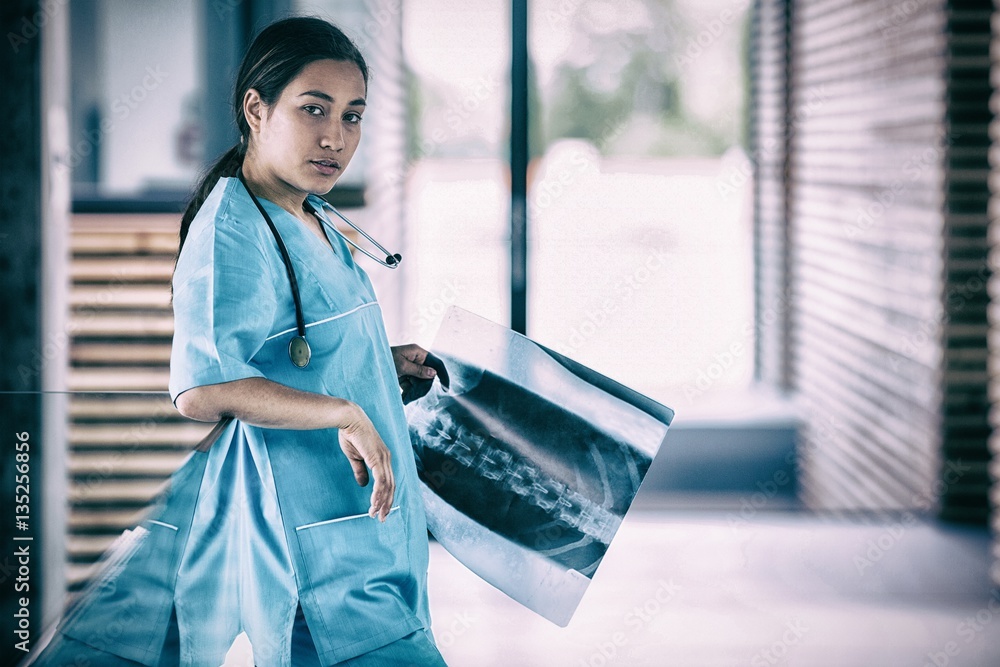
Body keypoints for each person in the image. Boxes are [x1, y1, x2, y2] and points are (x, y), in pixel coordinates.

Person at [23, 15, 449, 667]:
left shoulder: (312, 214)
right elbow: (203, 385)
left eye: (353, 115)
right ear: (257, 108)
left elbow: (296, 349)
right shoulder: (232, 230)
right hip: (303, 539)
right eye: (314, 109)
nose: (336, 136)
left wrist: (377, 365)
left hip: (358, 525)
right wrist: (343, 410)